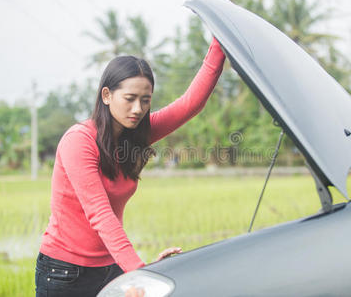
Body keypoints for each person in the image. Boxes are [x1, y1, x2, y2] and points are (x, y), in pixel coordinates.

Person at [35, 38, 225, 297]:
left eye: (145, 100)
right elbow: (100, 214)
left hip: (110, 266)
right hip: (64, 272)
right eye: (130, 99)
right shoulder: (78, 141)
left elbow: (191, 103)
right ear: (106, 95)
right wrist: (139, 272)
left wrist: (220, 44)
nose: (138, 109)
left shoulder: (137, 135)